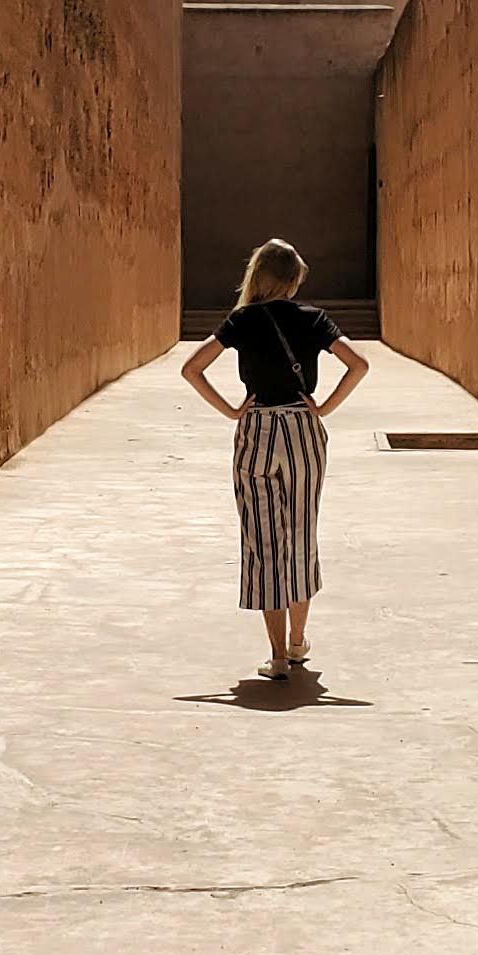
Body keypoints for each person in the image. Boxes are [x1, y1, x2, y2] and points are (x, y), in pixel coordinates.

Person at [182, 241, 368, 677]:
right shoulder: (312, 319)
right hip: (303, 429)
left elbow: (192, 368)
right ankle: (299, 642)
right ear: (292, 280)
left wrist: (231, 410)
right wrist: (323, 408)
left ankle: (278, 656)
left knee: (263, 539)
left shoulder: (242, 321)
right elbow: (358, 364)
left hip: (258, 430)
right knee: (302, 531)